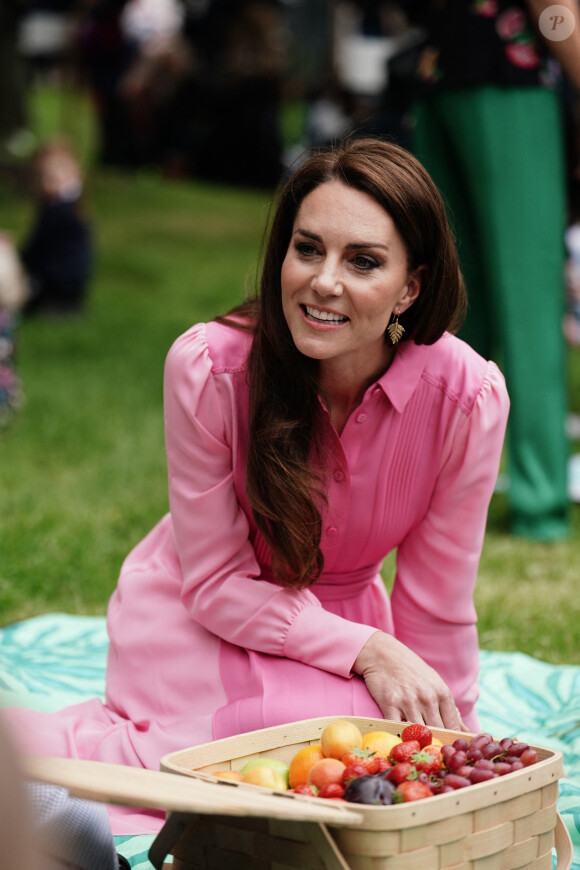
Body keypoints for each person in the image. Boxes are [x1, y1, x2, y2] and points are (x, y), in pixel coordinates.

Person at [4, 138, 509, 835]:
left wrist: (453, 757)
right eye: (308, 249)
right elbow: (213, 583)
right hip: (196, 612)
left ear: (411, 286)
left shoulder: (466, 397)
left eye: (362, 261)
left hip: (341, 627)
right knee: (302, 743)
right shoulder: (210, 368)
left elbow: (437, 605)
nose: (324, 281)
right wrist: (369, 650)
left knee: (367, 755)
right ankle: (41, 764)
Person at [409, 0, 580, 541]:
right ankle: (539, 501)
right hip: (511, 76)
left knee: (456, 302)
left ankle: (433, 498)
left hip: (441, 72)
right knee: (528, 302)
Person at [21, 139, 94, 317]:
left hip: (56, 284)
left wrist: (20, 261)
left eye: (60, 174)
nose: (53, 181)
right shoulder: (72, 207)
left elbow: (36, 250)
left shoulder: (58, 211)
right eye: (46, 176)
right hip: (70, 284)